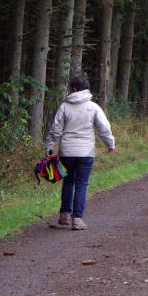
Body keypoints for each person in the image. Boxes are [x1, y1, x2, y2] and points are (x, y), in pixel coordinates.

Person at [46, 75, 116, 231]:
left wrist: (49, 147)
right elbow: (104, 128)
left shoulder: (64, 106)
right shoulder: (93, 107)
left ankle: (64, 214)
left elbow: (55, 130)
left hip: (66, 151)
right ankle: (77, 220)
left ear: (74, 89)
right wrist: (110, 144)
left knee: (68, 182)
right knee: (81, 184)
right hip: (86, 153)